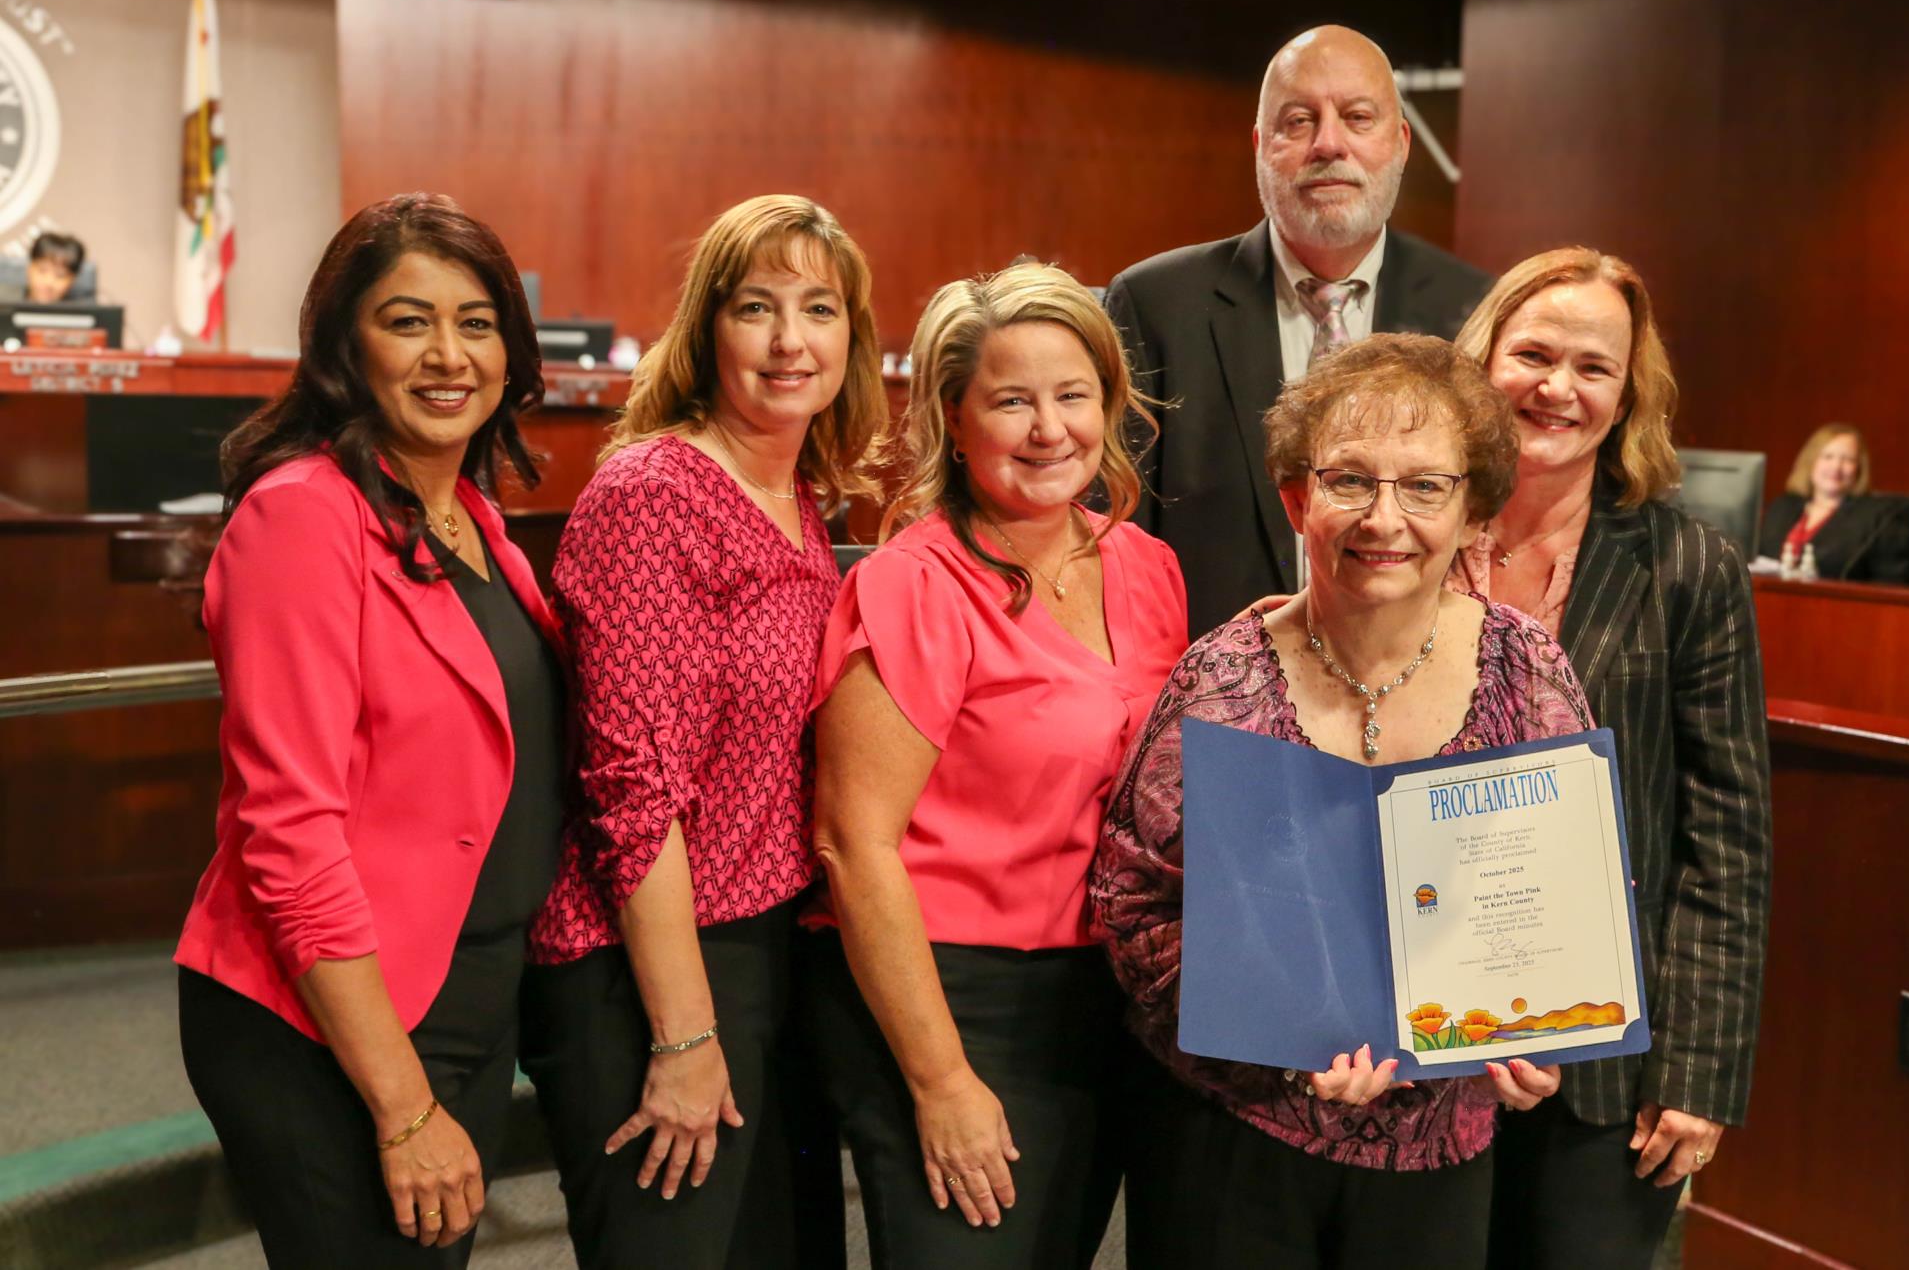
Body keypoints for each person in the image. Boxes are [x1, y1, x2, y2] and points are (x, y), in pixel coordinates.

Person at [1091, 333, 1574, 1269]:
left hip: (1440, 1152)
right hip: (1232, 1139)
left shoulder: (1528, 672)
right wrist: (1278, 1031)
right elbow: (1129, 899)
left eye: (1425, 486)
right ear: (1297, 498)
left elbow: (1564, 896)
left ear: (1474, 510)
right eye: (1350, 479)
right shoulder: (1222, 675)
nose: (1383, 518)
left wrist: (1538, 1032)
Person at [175, 193, 561, 1267]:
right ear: (346, 345)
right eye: (407, 321)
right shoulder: (302, 514)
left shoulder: (470, 517)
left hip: (464, 997)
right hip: (328, 1021)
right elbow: (287, 827)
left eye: (476, 322)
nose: (449, 354)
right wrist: (398, 1105)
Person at [520, 194, 884, 1269]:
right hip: (645, 969)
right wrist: (683, 1034)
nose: (788, 341)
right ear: (705, 329)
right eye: (755, 307)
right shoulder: (652, 491)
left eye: (818, 309)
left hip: (764, 941)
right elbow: (633, 795)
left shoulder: (800, 495)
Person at [810, 261, 1188, 1266]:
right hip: (952, 1001)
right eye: (1010, 400)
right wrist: (940, 1080)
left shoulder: (1145, 566)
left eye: (1071, 396)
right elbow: (854, 848)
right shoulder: (911, 586)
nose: (1047, 429)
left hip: (1108, 999)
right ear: (951, 415)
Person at [1450, 248, 1773, 1268]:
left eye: (1593, 367)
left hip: (1599, 1061)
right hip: (1408, 1035)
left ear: (1627, 392)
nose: (1557, 387)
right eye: (1532, 354)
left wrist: (1699, 1070)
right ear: (1481, 357)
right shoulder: (1404, 529)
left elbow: (1725, 834)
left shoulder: (1686, 565)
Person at [1105, 24, 1492, 636]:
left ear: (1401, 142)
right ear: (1261, 145)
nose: (1328, 144)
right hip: (1206, 698)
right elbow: (1112, 537)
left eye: (1358, 118)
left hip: (1416, 701)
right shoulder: (1156, 305)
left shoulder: (1473, 310)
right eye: (1298, 121)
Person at [1757, 422, 1909, 582]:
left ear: (1859, 468)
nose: (1836, 467)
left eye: (1848, 460)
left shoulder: (1879, 518)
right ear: (1810, 462)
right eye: (1827, 456)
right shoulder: (1782, 507)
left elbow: (1891, 584)